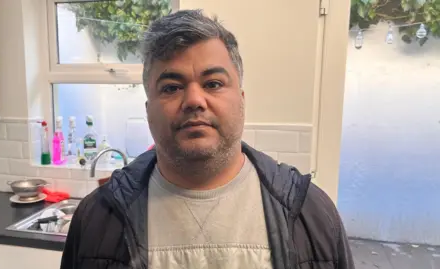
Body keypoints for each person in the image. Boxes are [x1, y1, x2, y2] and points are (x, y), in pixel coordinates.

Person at [60, 9, 354, 269]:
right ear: (148, 110)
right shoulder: (97, 220)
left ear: (241, 100)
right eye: (171, 88)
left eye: (213, 84)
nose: (194, 100)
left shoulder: (310, 215)